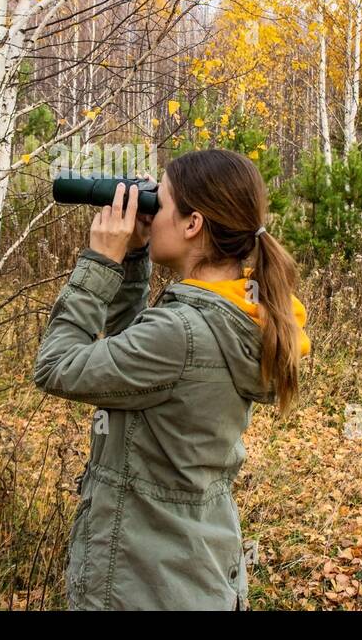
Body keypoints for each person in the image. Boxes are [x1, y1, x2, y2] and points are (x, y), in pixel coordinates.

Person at [33, 148, 311, 610]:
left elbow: (55, 365)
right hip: (189, 573)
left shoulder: (180, 333)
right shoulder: (232, 314)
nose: (147, 213)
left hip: (143, 585)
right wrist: (135, 260)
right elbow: (130, 375)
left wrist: (100, 263)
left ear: (192, 224)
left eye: (156, 203)